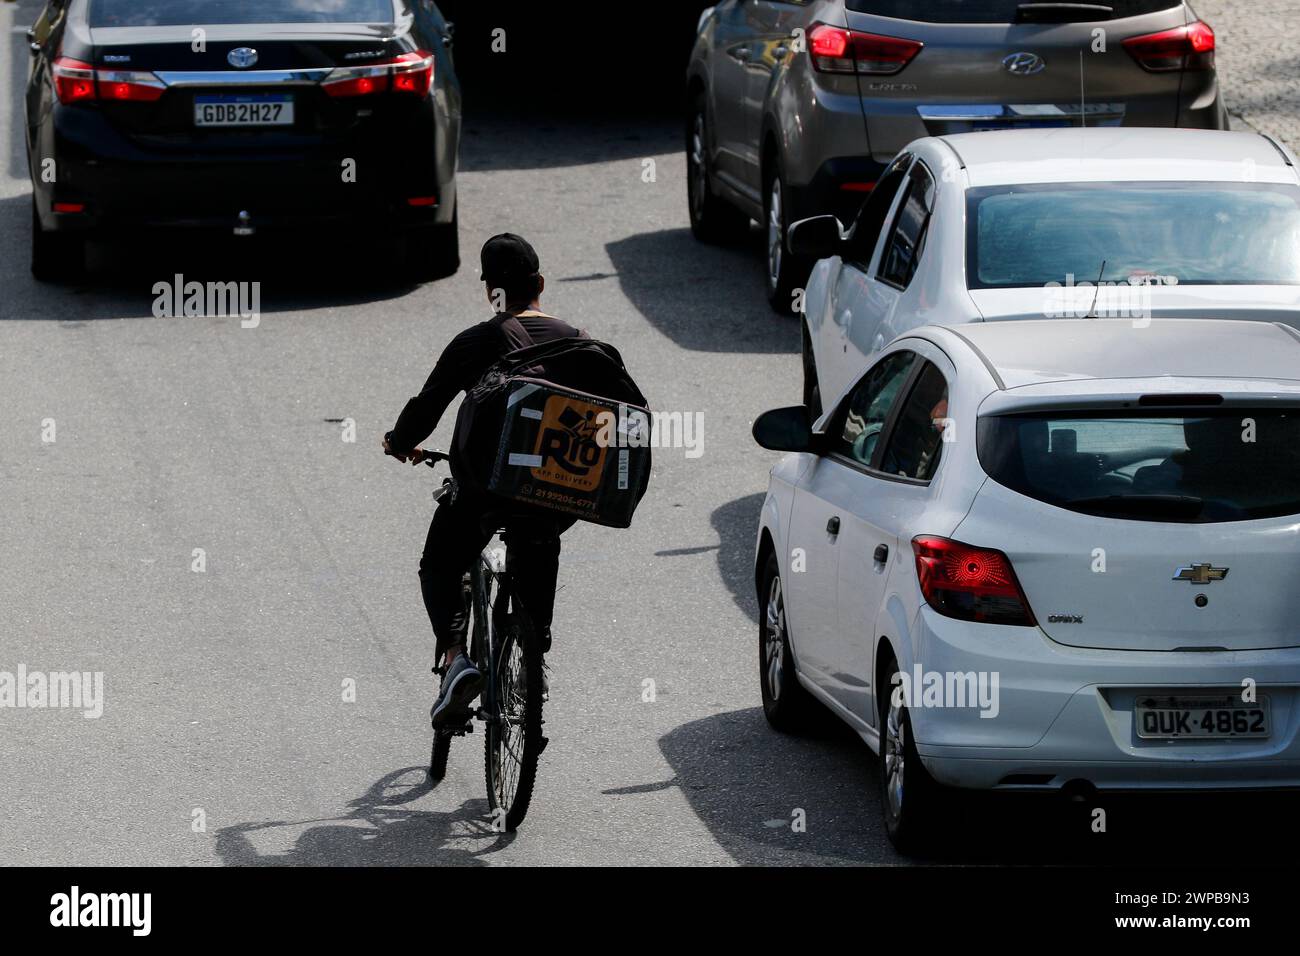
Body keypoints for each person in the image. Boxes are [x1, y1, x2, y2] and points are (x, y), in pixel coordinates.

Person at [383, 234, 584, 726]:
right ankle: (533, 646)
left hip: (484, 491)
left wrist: (398, 440)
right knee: (540, 537)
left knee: (440, 562)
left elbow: (427, 408)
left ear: (490, 291)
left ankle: (456, 661)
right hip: (555, 492)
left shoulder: (475, 341)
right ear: (540, 283)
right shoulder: (578, 342)